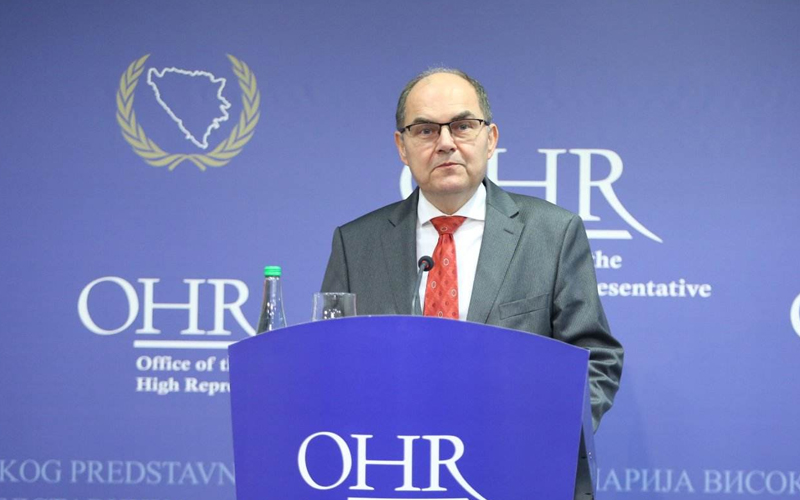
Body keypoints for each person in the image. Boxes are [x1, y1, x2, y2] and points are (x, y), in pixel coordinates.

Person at [321, 68, 623, 431]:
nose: (445, 143)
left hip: (513, 453)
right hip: (390, 454)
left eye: (463, 126)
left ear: (490, 139)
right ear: (402, 147)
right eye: (426, 130)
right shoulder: (356, 244)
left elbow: (594, 358)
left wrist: (551, 434)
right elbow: (330, 361)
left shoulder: (553, 233)